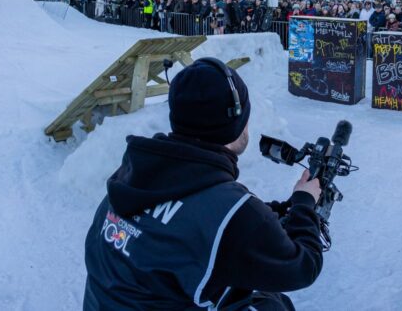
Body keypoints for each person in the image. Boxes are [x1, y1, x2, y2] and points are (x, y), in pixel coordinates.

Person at [84, 58, 324, 310]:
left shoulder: (132, 174)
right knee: (273, 305)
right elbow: (302, 267)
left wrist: (278, 210)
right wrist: (305, 204)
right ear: (236, 121)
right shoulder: (229, 211)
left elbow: (190, 218)